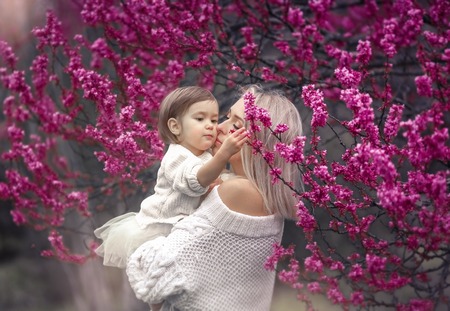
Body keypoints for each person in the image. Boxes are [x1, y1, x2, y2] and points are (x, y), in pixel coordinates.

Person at [126, 84, 304, 311]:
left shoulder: (237, 192)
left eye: (236, 125)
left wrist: (148, 238)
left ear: (262, 142)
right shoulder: (265, 196)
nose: (219, 127)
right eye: (226, 117)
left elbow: (154, 276)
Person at [94, 86, 248, 269]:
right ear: (175, 126)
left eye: (214, 120)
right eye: (200, 119)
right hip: (161, 226)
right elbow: (196, 181)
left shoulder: (205, 155)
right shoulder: (176, 156)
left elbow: (217, 177)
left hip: (183, 228)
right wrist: (224, 154)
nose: (210, 125)